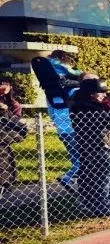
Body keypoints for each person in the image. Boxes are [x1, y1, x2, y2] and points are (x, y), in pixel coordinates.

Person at [70, 78, 110, 216]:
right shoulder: (83, 106)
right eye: (100, 93)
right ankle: (102, 206)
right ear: (91, 94)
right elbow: (106, 120)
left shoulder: (101, 104)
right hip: (97, 146)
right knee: (103, 177)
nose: (104, 96)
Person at [30, 50, 83, 190]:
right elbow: (77, 74)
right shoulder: (69, 83)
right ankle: (68, 178)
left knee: (76, 157)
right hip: (75, 128)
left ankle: (74, 180)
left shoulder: (50, 91)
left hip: (62, 129)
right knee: (85, 160)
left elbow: (52, 112)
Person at [0, 75, 25, 198]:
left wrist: (5, 110)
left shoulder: (12, 103)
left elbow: (16, 121)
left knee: (6, 158)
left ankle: (6, 184)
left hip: (5, 133)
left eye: (5, 86)